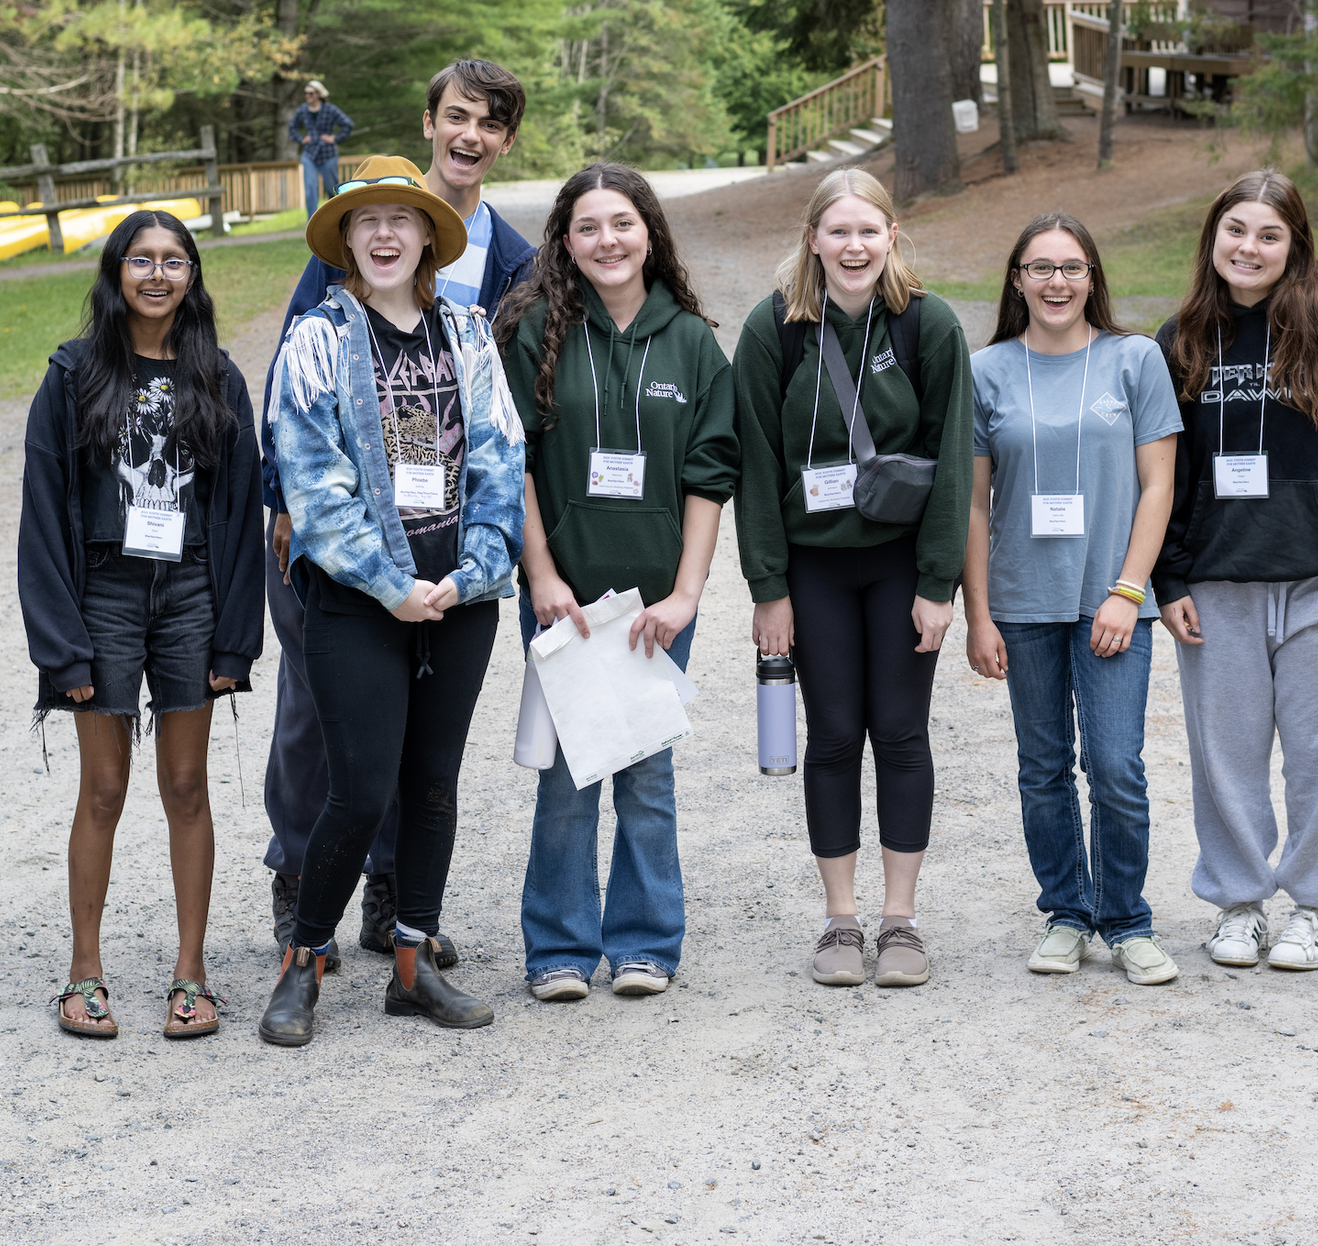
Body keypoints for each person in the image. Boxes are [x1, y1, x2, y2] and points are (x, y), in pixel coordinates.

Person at [259, 61, 536, 962]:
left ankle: (393, 905)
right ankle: (303, 887)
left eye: (488, 124)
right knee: (321, 716)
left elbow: (502, 428)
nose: (470, 134)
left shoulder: (510, 262)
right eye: (457, 115)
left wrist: (484, 561)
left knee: (423, 752)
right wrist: (290, 507)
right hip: (339, 543)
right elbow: (294, 403)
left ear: (503, 142)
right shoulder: (351, 247)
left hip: (446, 554)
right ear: (430, 120)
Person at [1153, 172, 1318, 973]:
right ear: (1213, 238)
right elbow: (1156, 475)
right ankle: (1238, 904)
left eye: (1270, 235)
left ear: (1295, 246)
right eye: (1236, 230)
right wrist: (1168, 579)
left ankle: (1313, 906)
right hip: (1216, 588)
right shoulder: (1179, 341)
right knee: (1224, 755)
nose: (1250, 248)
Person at [18, 211, 265, 1039]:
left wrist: (236, 637)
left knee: (187, 789)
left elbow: (235, 515)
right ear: (115, 272)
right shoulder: (73, 376)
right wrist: (62, 645)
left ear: (193, 276)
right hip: (105, 597)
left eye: (174, 261)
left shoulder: (219, 380)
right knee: (104, 788)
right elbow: (43, 516)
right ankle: (84, 974)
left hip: (191, 592)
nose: (156, 275)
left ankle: (189, 976)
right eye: (140, 260)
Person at [496, 165, 737, 1003]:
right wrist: (542, 576)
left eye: (623, 223)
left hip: (655, 605)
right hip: (568, 595)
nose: (608, 240)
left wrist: (687, 595)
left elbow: (711, 473)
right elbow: (513, 464)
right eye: (590, 226)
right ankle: (558, 948)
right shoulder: (534, 330)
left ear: (650, 233)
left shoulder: (693, 340)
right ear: (566, 241)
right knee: (565, 780)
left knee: (647, 776)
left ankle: (645, 943)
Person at [733, 167, 974, 990]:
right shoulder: (775, 330)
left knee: (901, 734)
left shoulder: (927, 325)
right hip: (814, 570)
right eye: (838, 231)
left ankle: (900, 921)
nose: (854, 245)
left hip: (900, 563)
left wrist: (939, 584)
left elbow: (953, 469)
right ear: (813, 240)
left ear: (892, 236)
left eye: (868, 230)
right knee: (834, 736)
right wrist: (768, 587)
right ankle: (840, 921)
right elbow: (755, 468)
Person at [962, 214, 1184, 983]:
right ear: (1017, 279)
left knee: (1117, 764)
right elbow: (976, 506)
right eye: (1040, 268)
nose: (1057, 282)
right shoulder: (986, 369)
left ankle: (1126, 919)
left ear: (1093, 277)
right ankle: (1066, 911)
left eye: (1072, 267)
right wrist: (978, 614)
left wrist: (1128, 591)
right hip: (1022, 603)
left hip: (1111, 598)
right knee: (1043, 767)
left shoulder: (1135, 360)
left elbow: (1159, 485)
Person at [289, 80, 350, 210]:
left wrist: (335, 138)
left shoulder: (330, 109)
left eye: (310, 93)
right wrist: (301, 139)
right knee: (310, 189)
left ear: (318, 94)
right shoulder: (303, 110)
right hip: (309, 154)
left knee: (332, 189)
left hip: (328, 154)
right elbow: (292, 127)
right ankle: (311, 223)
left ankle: (335, 218)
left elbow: (348, 124)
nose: (307, 96)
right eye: (305, 93)